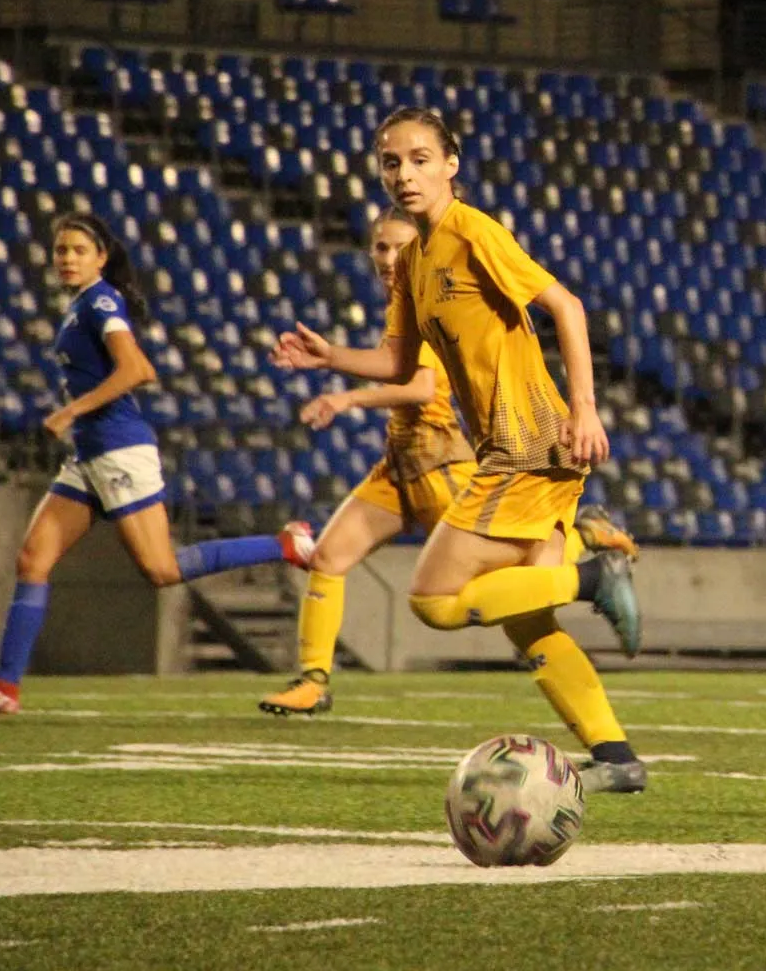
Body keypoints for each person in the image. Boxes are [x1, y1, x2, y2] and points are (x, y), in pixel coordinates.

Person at [270, 107, 645, 793]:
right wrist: (332, 360)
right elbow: (395, 362)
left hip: (530, 441)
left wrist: (585, 407)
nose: (404, 173)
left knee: (433, 598)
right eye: (391, 162)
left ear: (452, 164)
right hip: (517, 450)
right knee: (527, 623)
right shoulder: (414, 260)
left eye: (419, 158)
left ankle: (594, 579)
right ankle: (616, 758)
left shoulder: (475, 232)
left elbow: (566, 307)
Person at [0, 213, 315, 715]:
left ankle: (285, 543)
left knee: (162, 569)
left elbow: (137, 369)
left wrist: (70, 411)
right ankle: (5, 687)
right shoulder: (81, 304)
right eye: (61, 250)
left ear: (101, 257)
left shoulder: (102, 301)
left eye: (78, 250)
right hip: (89, 457)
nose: (67, 259)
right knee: (32, 561)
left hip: (119, 450)